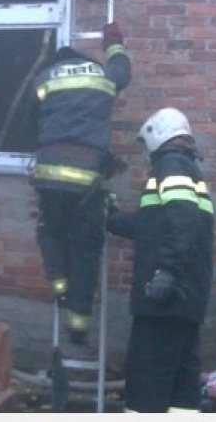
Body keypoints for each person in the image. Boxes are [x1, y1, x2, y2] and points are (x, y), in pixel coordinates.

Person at [30, 22, 131, 345]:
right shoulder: (101, 76)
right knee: (86, 248)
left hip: (50, 178)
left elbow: (31, 123)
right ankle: (78, 326)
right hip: (88, 181)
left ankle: (60, 287)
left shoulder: (44, 77)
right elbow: (122, 72)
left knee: (50, 232)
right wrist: (114, 43)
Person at [107, 107, 214, 413]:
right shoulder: (187, 169)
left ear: (157, 135)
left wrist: (166, 271)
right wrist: (112, 219)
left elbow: (183, 220)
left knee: (147, 382)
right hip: (185, 299)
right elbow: (153, 227)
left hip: (165, 299)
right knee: (181, 386)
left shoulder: (172, 166)